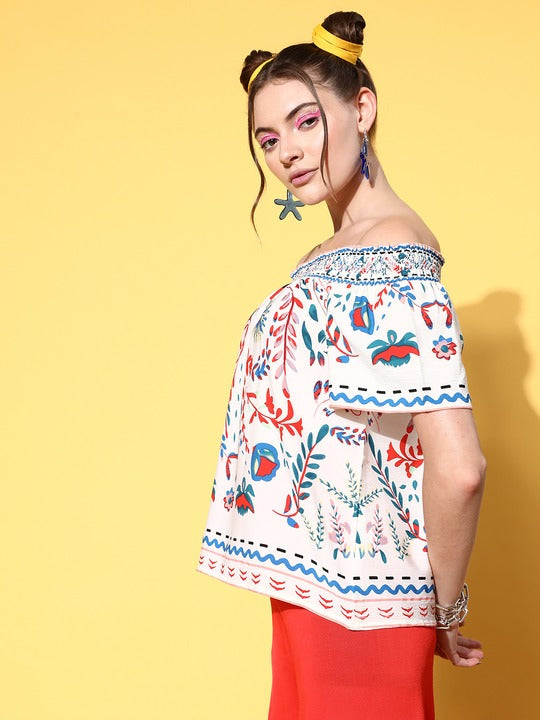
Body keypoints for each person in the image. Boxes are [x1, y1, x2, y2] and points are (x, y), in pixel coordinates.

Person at [197, 10, 486, 719]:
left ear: (362, 109)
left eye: (305, 122)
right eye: (268, 138)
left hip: (361, 608)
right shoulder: (338, 253)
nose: (286, 153)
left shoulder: (393, 256)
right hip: (315, 593)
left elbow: (460, 468)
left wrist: (444, 609)